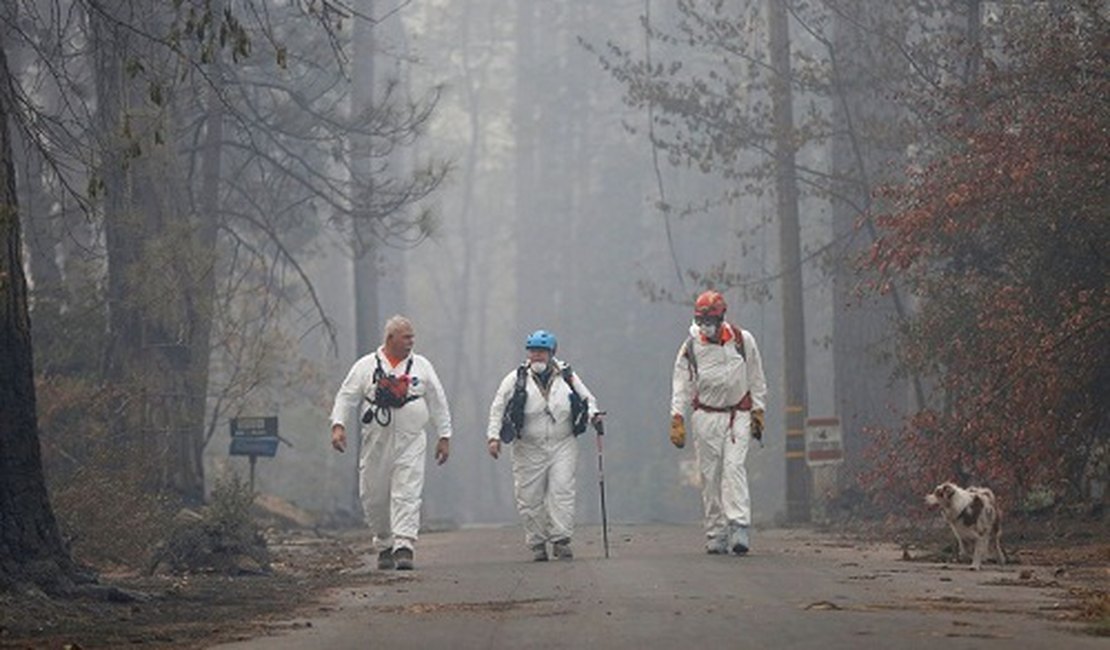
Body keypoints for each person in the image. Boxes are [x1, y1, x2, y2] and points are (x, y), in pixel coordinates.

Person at [329, 315, 452, 571]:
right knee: (374, 495)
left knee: (407, 490)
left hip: (411, 439)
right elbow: (346, 397)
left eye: (412, 337)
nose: (411, 342)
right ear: (390, 338)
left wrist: (444, 435)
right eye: (406, 337)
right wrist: (338, 426)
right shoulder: (365, 366)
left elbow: (437, 401)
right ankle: (384, 543)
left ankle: (404, 544)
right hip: (376, 441)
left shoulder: (422, 366)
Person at [486, 329, 602, 562]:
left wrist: (594, 415)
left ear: (551, 353)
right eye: (533, 351)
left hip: (563, 443)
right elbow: (498, 406)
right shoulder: (515, 379)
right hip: (527, 446)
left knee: (562, 490)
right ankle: (537, 541)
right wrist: (493, 437)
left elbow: (587, 398)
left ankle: (561, 539)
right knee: (529, 496)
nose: (537, 356)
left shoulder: (567, 375)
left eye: (542, 351)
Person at [670, 290, 767, 555]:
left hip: (739, 414)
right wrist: (677, 416)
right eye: (701, 320)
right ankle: (715, 531)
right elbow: (681, 384)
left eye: (710, 319)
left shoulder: (742, 341)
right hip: (705, 416)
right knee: (709, 475)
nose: (705, 326)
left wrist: (759, 410)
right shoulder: (690, 347)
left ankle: (739, 525)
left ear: (721, 316)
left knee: (734, 468)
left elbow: (756, 377)